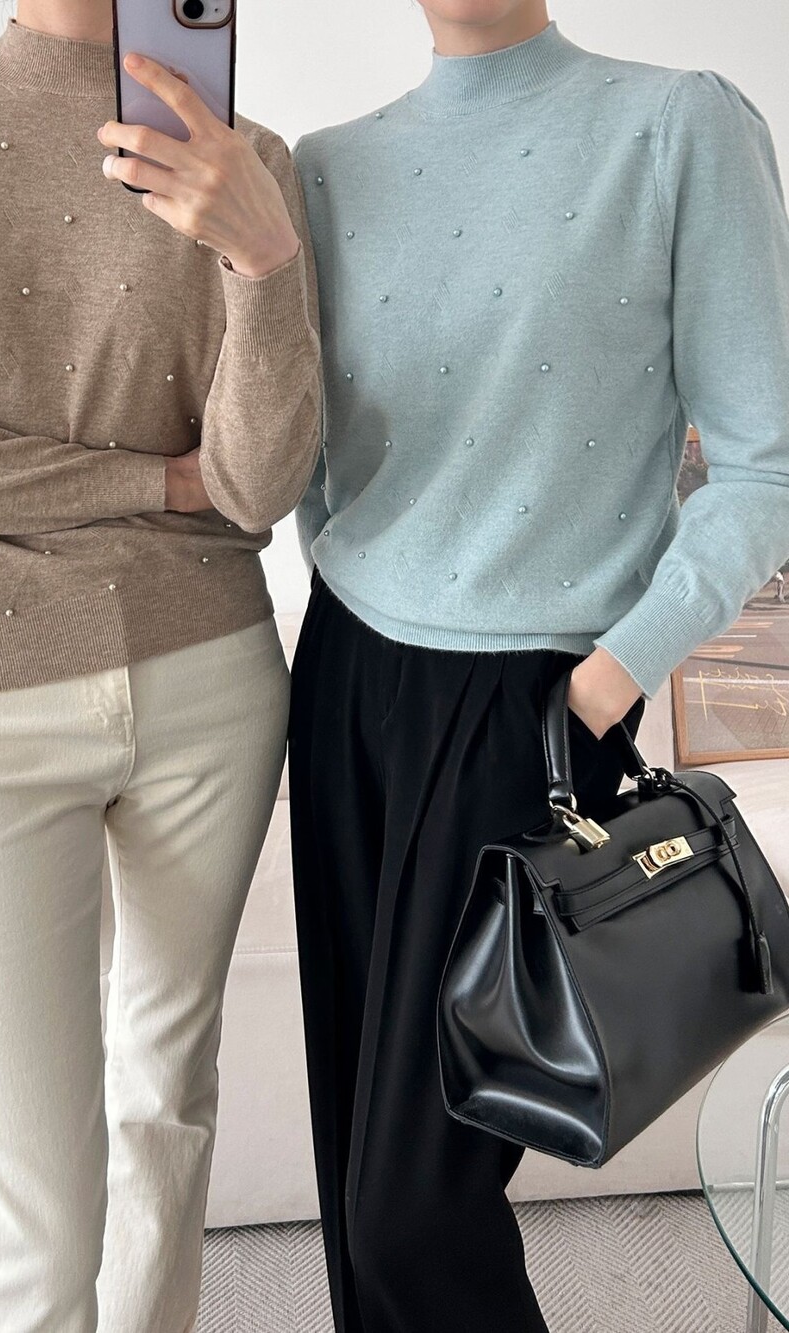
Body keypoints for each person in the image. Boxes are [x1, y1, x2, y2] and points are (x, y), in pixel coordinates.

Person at [0, 2, 320, 1328]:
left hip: (212, 681)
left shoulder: (243, 156)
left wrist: (264, 261)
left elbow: (258, 485)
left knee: (167, 1107)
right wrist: (156, 480)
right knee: (37, 1202)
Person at [287, 2, 789, 1330]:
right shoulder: (323, 166)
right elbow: (317, 464)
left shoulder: (678, 126)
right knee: (358, 1172)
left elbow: (765, 468)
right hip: (345, 675)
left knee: (413, 1208)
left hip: (532, 705)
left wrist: (607, 681)